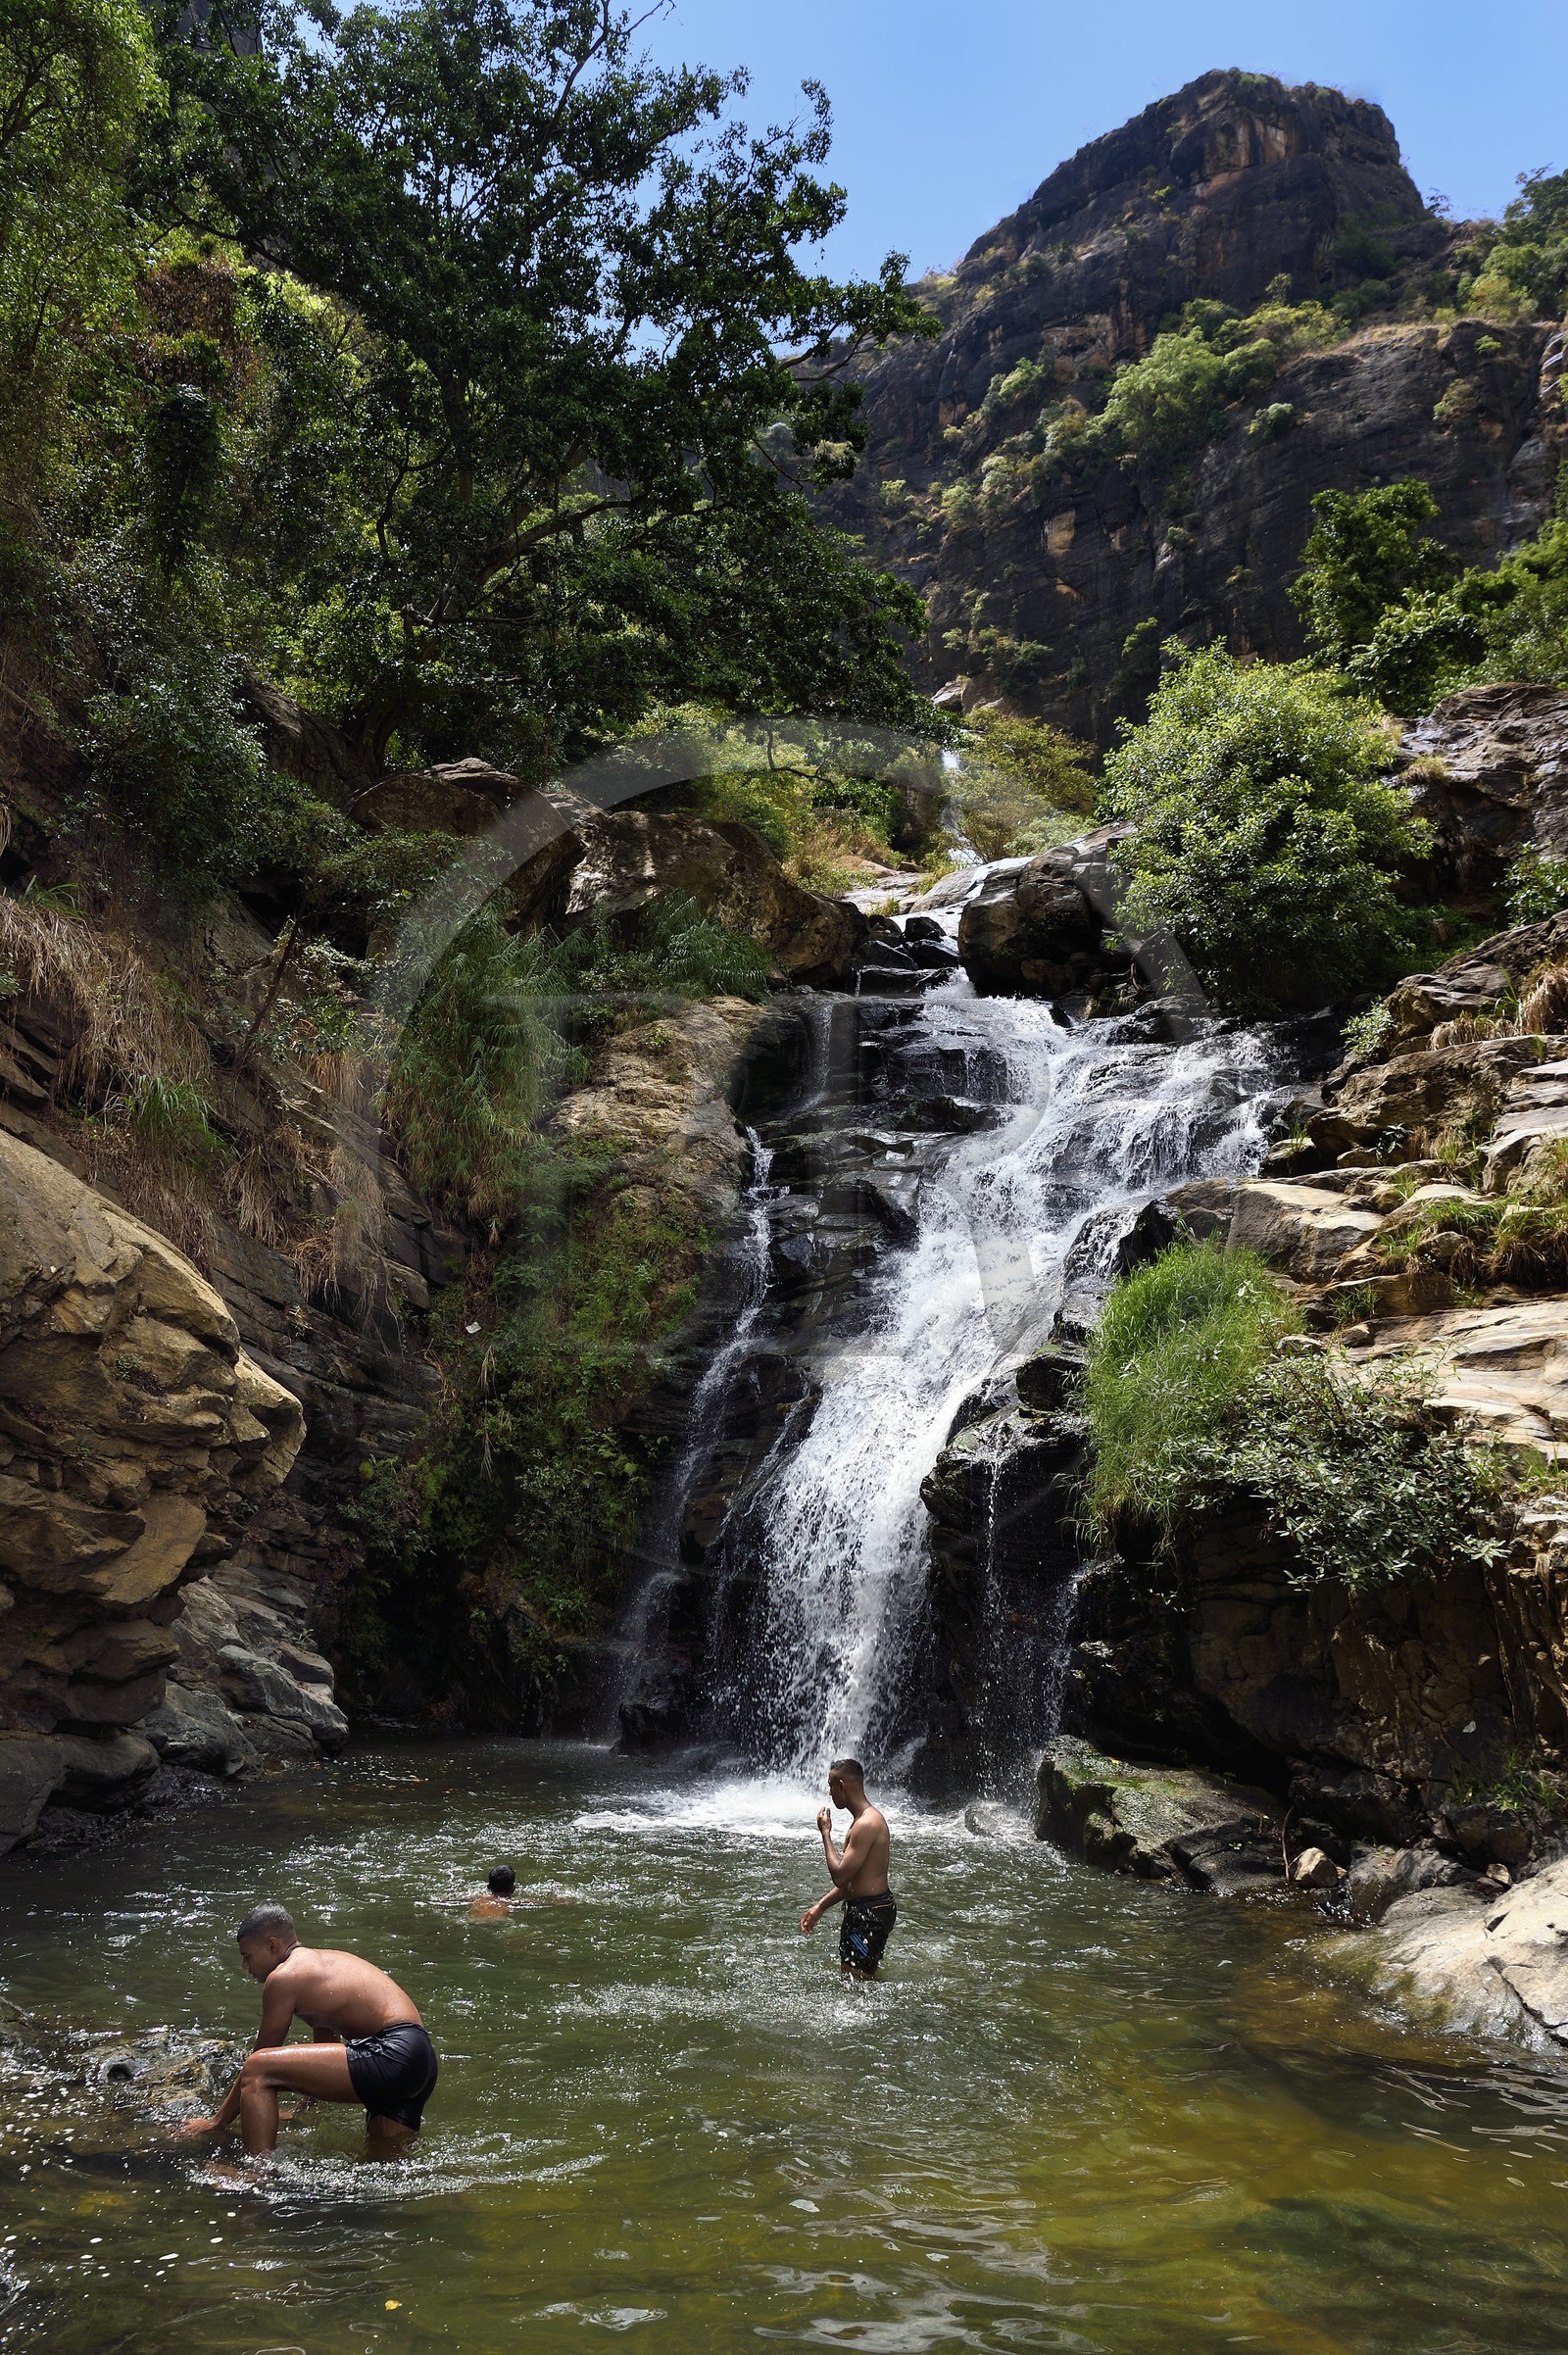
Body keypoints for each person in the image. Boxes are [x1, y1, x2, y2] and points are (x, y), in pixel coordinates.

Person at [183, 1903, 438, 2157]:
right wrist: (304, 2108)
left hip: (392, 2053)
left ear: (272, 1946)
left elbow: (259, 2060)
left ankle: (256, 2174)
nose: (245, 1967)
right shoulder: (320, 1965)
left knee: (257, 2069)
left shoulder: (283, 1978)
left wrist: (217, 2121)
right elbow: (325, 2043)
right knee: (383, 2158)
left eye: (247, 1956)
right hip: (420, 2060)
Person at [800, 1758, 897, 1978]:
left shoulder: (866, 1824)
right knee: (852, 1976)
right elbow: (854, 1882)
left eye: (830, 1786)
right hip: (869, 1909)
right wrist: (820, 1907)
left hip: (870, 1914)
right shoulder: (863, 1820)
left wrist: (825, 1833)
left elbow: (841, 1877)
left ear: (841, 1785)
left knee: (857, 1980)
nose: (830, 1793)